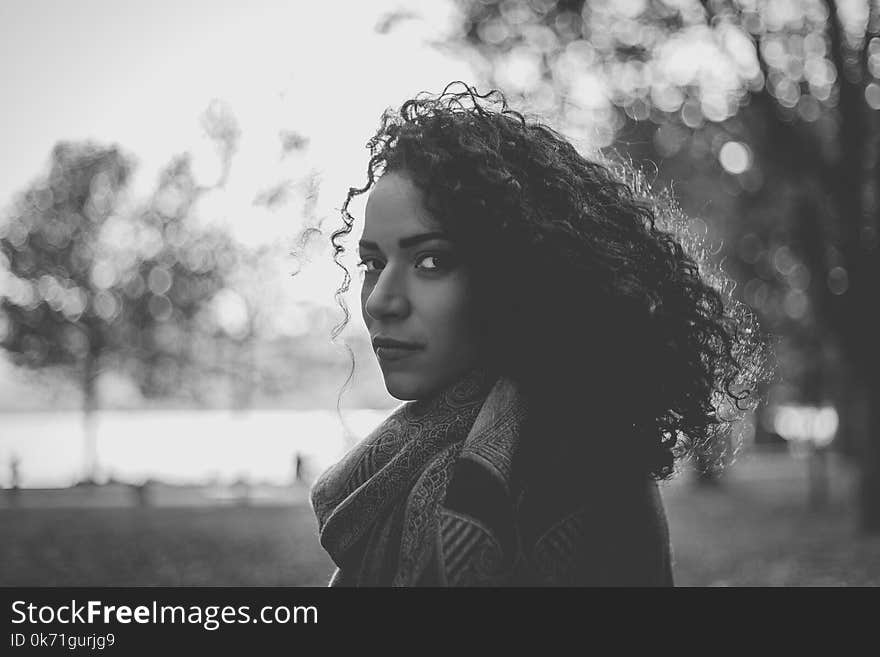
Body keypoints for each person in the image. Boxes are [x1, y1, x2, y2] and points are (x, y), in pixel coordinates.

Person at [309, 82, 767, 586]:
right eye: (372, 263)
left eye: (431, 260)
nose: (379, 301)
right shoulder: (430, 448)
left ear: (516, 272)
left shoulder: (572, 467)